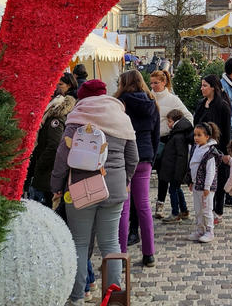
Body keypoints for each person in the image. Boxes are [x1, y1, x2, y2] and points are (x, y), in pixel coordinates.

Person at [50, 80, 138, 306]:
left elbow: (61, 158)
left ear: (82, 97)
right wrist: (125, 179)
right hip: (114, 189)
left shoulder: (76, 119)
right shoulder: (121, 119)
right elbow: (133, 159)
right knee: (111, 244)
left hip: (81, 189)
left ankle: (77, 297)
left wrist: (56, 186)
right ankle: (113, 298)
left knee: (79, 244)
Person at [114, 70, 160, 267]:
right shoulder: (152, 102)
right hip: (145, 155)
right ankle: (149, 253)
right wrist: (151, 155)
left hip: (125, 156)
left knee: (123, 207)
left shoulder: (120, 103)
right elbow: (156, 134)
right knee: (144, 205)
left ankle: (122, 254)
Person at [24, 75, 77, 207]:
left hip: (46, 175)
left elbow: (54, 145)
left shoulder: (55, 119)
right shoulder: (51, 116)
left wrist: (39, 164)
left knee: (44, 208)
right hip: (46, 173)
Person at [149, 69, 193, 219]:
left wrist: (177, 131)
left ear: (164, 82)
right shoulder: (148, 97)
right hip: (150, 141)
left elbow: (188, 118)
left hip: (166, 142)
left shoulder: (173, 100)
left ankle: (160, 206)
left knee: (164, 175)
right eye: (152, 82)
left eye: (156, 83)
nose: (153, 86)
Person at [194, 75, 232, 224]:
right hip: (201, 148)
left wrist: (225, 153)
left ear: (213, 87)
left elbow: (226, 133)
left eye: (205, 86)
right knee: (205, 180)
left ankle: (218, 210)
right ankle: (206, 210)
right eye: (201, 85)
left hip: (217, 149)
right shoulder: (201, 104)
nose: (202, 88)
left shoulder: (222, 106)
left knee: (219, 180)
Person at [185, 122, 222, 243]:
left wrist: (207, 187)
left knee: (207, 209)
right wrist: (190, 181)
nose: (196, 137)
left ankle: (209, 231)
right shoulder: (196, 148)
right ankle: (200, 229)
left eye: (199, 135)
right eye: (195, 135)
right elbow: (192, 165)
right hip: (196, 185)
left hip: (206, 187)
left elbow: (210, 172)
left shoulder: (210, 153)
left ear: (207, 136)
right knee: (198, 209)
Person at [158, 108, 193, 223]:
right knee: (176, 189)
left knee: (173, 190)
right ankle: (184, 210)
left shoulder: (178, 136)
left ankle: (175, 213)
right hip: (174, 168)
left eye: (169, 121)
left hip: (175, 170)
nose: (168, 124)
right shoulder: (177, 134)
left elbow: (181, 156)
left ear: (175, 121)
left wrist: (178, 173)